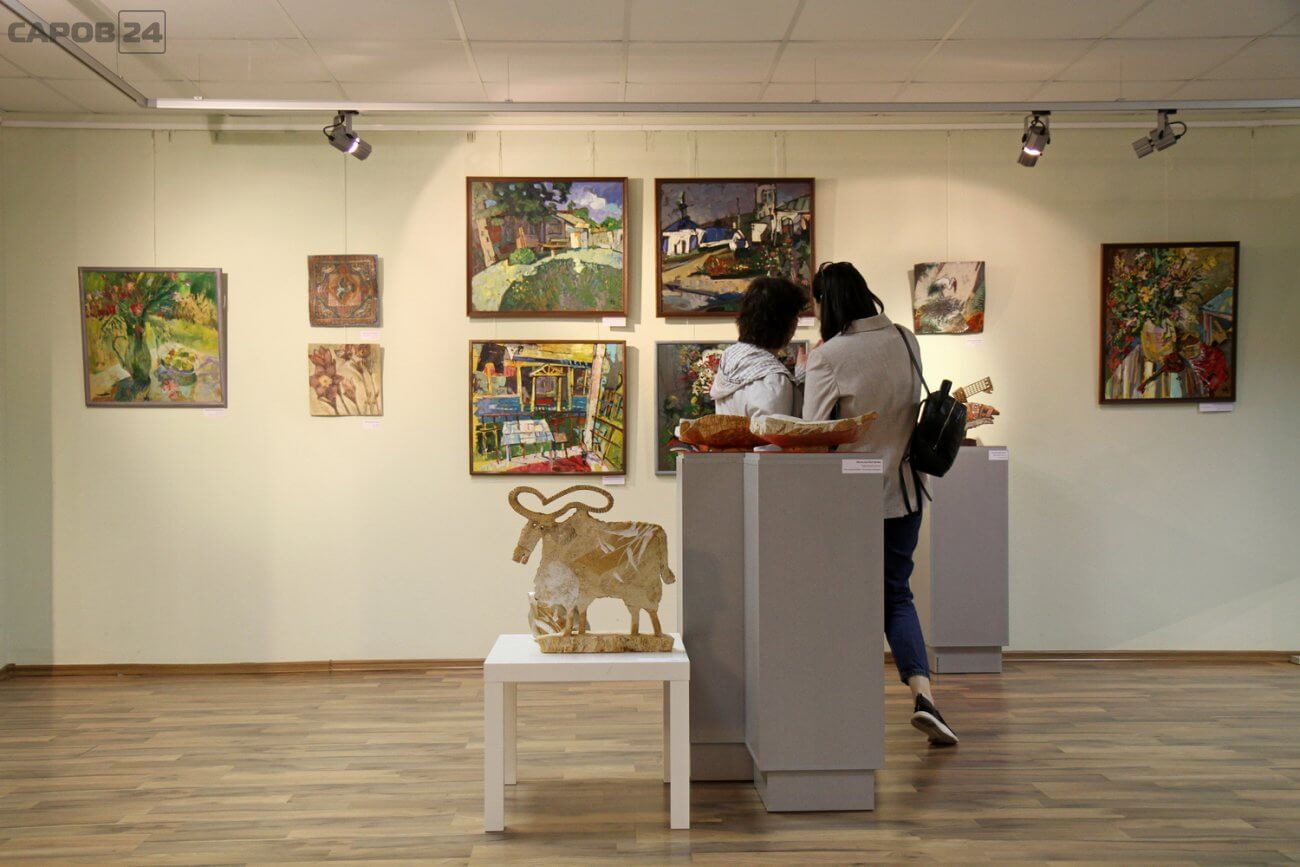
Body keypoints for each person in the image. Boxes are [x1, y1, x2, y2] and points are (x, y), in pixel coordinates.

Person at [802, 262, 958, 747]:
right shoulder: (907, 339)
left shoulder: (829, 357)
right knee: (896, 595)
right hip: (905, 491)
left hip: (847, 500)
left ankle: (843, 705)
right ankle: (924, 696)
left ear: (827, 302)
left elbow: (813, 431)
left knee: (841, 596)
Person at [709, 276, 808, 418]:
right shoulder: (773, 380)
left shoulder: (729, 356)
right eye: (796, 317)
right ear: (788, 324)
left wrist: (799, 378)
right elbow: (776, 430)